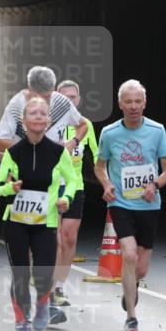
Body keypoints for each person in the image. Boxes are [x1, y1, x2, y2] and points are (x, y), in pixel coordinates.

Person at [94, 79, 166, 331]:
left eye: (138, 101)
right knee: (128, 255)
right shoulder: (109, 133)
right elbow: (99, 166)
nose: (133, 106)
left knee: (140, 268)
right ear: (120, 105)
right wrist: (106, 185)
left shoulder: (157, 130)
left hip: (149, 205)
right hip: (121, 203)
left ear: (145, 103)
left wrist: (154, 185)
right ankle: (131, 318)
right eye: (128, 102)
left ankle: (132, 286)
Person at [0, 97, 77, 331]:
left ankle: (42, 303)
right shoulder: (13, 152)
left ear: (49, 120)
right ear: (24, 121)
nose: (39, 117)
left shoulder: (58, 152)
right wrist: (11, 188)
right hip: (16, 222)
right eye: (33, 113)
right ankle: (21, 322)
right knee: (20, 273)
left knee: (43, 272)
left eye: (43, 113)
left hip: (46, 222)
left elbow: (71, 180)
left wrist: (67, 198)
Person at [51, 80, 98, 310]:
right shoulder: (48, 122)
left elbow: (98, 157)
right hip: (50, 187)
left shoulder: (85, 125)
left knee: (69, 239)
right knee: (54, 239)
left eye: (73, 97)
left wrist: (109, 182)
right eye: (64, 97)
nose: (69, 100)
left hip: (74, 187)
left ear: (79, 100)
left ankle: (59, 286)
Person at [0, 66, 88, 153]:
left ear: (53, 89)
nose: (41, 102)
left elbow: (83, 125)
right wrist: (35, 149)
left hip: (56, 168)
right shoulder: (16, 105)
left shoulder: (62, 102)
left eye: (47, 97)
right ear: (29, 88)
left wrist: (72, 143)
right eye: (37, 97)